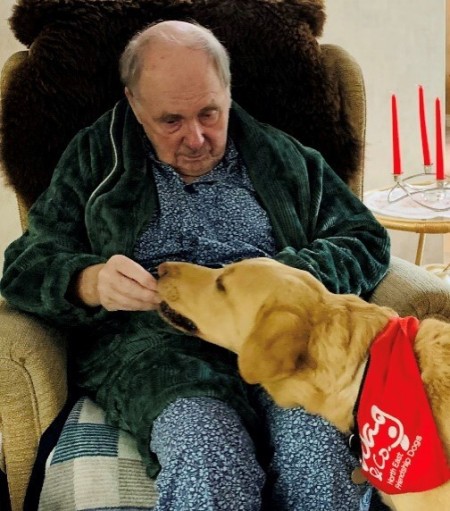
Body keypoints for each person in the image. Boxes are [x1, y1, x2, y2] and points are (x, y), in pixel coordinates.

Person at [0, 20, 391, 511]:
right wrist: (88, 281)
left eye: (210, 113)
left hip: (275, 341)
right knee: (205, 445)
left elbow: (364, 238)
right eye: (171, 121)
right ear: (134, 103)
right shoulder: (96, 157)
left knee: (318, 449)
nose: (197, 138)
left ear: (228, 92)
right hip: (157, 350)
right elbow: (25, 265)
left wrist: (289, 282)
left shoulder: (283, 157)